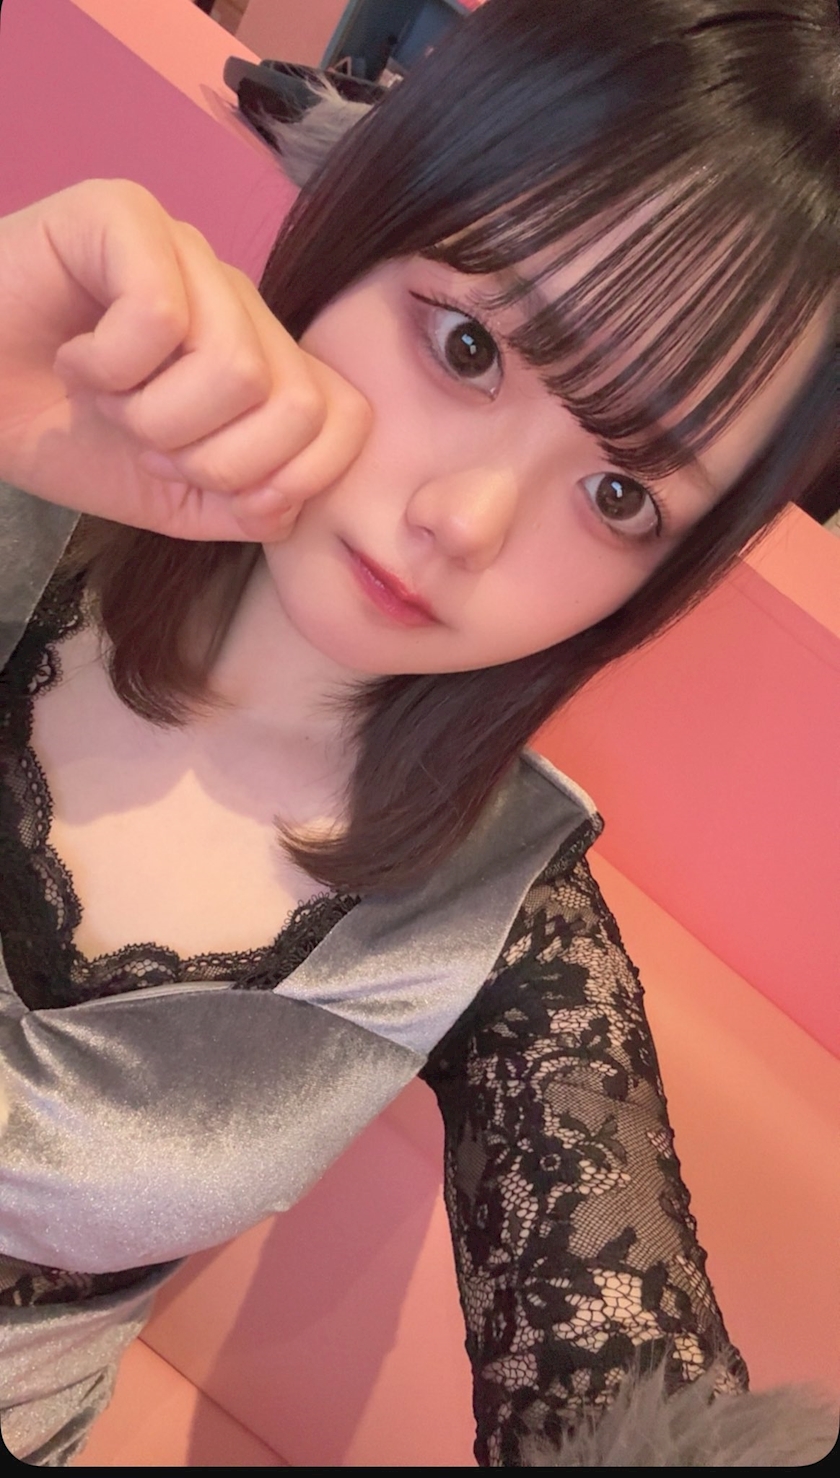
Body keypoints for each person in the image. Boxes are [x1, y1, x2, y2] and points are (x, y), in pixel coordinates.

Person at [0, 0, 837, 1466]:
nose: (465, 520)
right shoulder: (29, 453)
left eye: (622, 495)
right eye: (466, 344)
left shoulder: (504, 935)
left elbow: (623, 1396)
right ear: (368, 220)